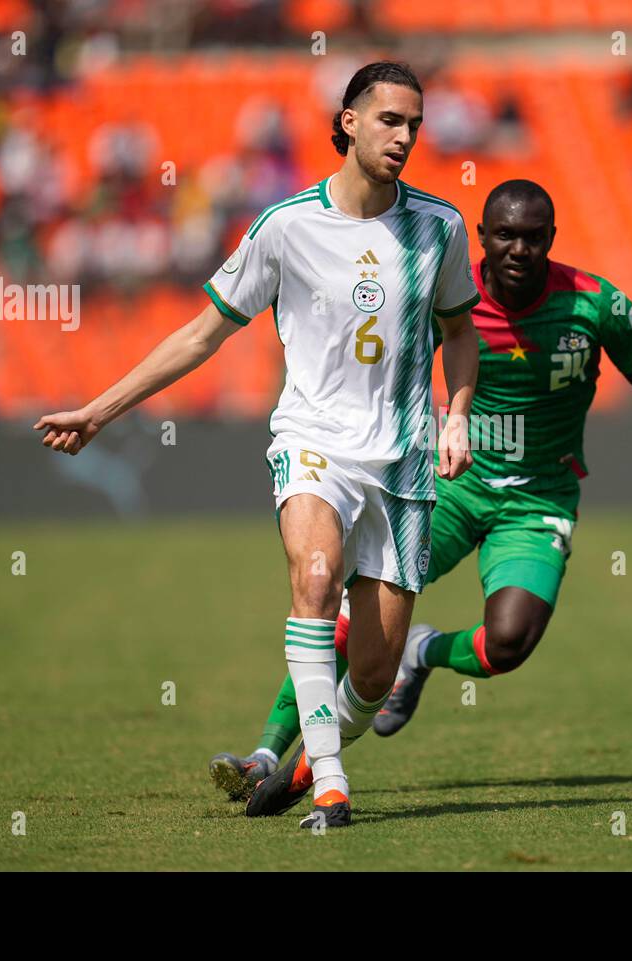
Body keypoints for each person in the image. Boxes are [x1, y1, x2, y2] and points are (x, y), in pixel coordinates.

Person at [36, 61, 481, 829]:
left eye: (414, 123)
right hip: (313, 442)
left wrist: (459, 413)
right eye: (389, 120)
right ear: (347, 121)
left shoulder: (439, 225)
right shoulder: (286, 226)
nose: (404, 136)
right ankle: (333, 784)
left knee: (374, 670)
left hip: (403, 456)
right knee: (315, 575)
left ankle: (305, 758)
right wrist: (101, 409)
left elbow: (460, 329)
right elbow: (203, 332)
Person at [222, 179, 632, 819]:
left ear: (552, 238)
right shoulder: (449, 299)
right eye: (505, 235)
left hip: (537, 500)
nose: (519, 248)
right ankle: (268, 754)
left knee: (509, 643)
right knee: (345, 612)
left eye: (533, 236)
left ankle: (419, 653)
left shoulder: (594, 304)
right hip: (448, 486)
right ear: (483, 238)